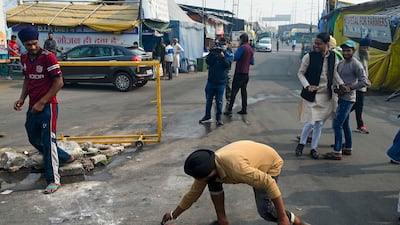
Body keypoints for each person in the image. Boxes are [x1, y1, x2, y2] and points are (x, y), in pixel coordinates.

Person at [160, 140, 310, 225]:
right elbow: (193, 194)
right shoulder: (207, 169)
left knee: (266, 210)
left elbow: (269, 183)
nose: (197, 181)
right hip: (245, 157)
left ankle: (298, 222)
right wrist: (173, 214)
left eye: (199, 179)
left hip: (268, 164)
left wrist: (282, 217)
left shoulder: (237, 168)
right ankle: (222, 220)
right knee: (213, 183)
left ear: (208, 171)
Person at [13, 27, 74, 194]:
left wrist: (42, 102)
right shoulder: (24, 57)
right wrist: (21, 99)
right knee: (33, 137)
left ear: (38, 41)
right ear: (23, 44)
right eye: (28, 45)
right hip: (33, 105)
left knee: (48, 142)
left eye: (34, 43)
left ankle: (53, 179)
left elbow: (59, 82)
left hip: (48, 106)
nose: (32, 47)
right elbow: (27, 79)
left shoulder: (48, 57)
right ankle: (65, 157)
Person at [295, 32, 345, 159]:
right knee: (311, 122)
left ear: (327, 44)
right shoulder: (309, 56)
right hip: (311, 94)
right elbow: (300, 73)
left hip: (326, 94)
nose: (315, 46)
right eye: (315, 43)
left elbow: (334, 74)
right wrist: (307, 86)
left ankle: (313, 148)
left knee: (319, 124)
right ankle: (301, 144)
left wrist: (342, 85)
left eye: (319, 44)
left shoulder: (334, 57)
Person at [323, 40, 371, 160]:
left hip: (348, 99)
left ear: (353, 51)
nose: (345, 52)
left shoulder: (356, 64)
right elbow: (336, 78)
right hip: (341, 97)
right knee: (344, 124)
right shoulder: (342, 63)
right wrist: (337, 88)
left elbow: (365, 82)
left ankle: (337, 150)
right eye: (344, 50)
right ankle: (348, 147)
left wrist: (349, 87)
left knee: (337, 124)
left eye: (348, 50)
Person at [198, 41, 232, 126]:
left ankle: (218, 118)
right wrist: (211, 54)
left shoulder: (227, 54)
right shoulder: (212, 55)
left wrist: (223, 57)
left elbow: (228, 65)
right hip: (211, 81)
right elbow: (208, 62)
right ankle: (207, 116)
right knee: (209, 100)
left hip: (221, 82)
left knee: (219, 101)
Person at [224, 33, 254, 115]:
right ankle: (244, 109)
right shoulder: (250, 49)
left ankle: (229, 109)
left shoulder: (242, 48)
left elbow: (235, 57)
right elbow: (252, 62)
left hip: (239, 73)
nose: (239, 41)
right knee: (244, 92)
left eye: (240, 40)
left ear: (242, 40)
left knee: (233, 92)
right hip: (246, 74)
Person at [352, 36, 372, 133]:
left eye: (367, 47)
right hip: (357, 85)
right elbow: (357, 72)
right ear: (360, 47)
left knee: (356, 105)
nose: (366, 49)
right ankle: (360, 125)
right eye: (364, 47)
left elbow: (365, 71)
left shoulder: (365, 55)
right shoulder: (356, 57)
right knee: (358, 106)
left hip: (362, 85)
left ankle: (341, 117)